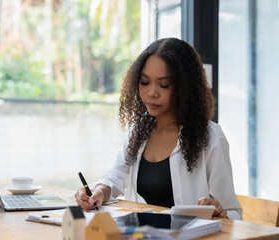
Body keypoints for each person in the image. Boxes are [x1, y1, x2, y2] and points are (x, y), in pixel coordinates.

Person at [75, 38, 242, 220]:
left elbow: (233, 214)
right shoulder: (139, 130)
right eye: (145, 82)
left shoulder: (210, 137)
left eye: (164, 85)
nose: (151, 92)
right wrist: (100, 191)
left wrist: (219, 213)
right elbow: (117, 174)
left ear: (185, 88)